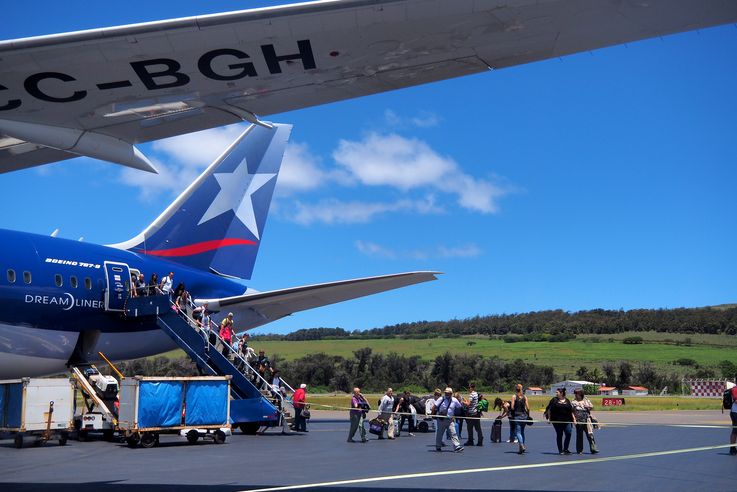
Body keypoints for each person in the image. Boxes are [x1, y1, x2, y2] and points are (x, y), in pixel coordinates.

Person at [545, 387, 575, 455]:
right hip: (557, 421)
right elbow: (549, 410)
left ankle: (566, 449)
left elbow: (571, 411)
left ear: (561, 393)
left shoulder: (567, 400)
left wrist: (574, 419)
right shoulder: (554, 400)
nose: (556, 393)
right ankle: (560, 450)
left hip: (567, 420)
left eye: (557, 392)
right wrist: (549, 419)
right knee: (559, 435)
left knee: (569, 433)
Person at [433, 387, 463, 452]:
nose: (446, 394)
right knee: (440, 434)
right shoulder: (441, 399)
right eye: (446, 393)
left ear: (451, 393)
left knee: (453, 433)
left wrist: (461, 402)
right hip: (441, 420)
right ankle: (438, 446)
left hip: (450, 420)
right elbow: (434, 406)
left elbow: (459, 407)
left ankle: (457, 447)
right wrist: (433, 415)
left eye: (448, 393)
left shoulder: (454, 400)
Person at [572, 388, 598, 454]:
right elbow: (571, 412)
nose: (575, 395)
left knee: (590, 434)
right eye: (575, 393)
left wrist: (588, 406)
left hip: (587, 420)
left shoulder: (586, 400)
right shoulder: (573, 402)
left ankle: (593, 448)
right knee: (579, 436)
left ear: (580, 394)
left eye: (576, 393)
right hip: (578, 420)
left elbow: (592, 407)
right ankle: (579, 450)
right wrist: (574, 420)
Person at [511, 384, 530, 454]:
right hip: (524, 416)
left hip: (517, 415)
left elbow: (512, 407)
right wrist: (528, 415)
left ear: (516, 389)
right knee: (522, 432)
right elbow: (528, 408)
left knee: (518, 432)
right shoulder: (525, 397)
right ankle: (520, 448)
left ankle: (521, 444)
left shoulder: (514, 396)